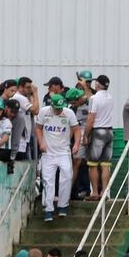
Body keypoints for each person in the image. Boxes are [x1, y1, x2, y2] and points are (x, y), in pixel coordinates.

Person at [35, 94, 81, 222]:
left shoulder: (69, 113)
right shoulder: (44, 112)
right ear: (52, 105)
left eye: (61, 108)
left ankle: (63, 205)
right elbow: (38, 128)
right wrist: (41, 143)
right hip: (48, 152)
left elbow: (77, 130)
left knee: (67, 176)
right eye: (57, 108)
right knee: (48, 180)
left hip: (64, 151)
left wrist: (76, 144)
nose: (59, 110)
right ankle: (48, 209)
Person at [84, 75, 114, 200]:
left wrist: (86, 135)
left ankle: (95, 192)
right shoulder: (110, 97)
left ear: (97, 84)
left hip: (98, 131)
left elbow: (91, 119)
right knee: (105, 164)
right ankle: (104, 192)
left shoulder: (94, 99)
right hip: (109, 131)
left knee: (93, 164)